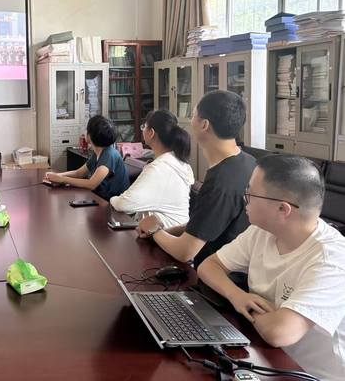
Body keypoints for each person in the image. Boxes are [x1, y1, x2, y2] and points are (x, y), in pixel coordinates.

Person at [198, 154, 345, 381]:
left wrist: (249, 308)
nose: (244, 198)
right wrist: (238, 296)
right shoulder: (262, 231)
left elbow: (279, 332)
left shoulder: (332, 259)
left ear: (283, 209)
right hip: (267, 358)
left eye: (250, 193)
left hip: (309, 374)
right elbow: (209, 266)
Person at [138, 90, 256, 267]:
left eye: (193, 115)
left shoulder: (220, 182)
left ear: (204, 125)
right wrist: (167, 231)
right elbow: (206, 225)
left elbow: (185, 252)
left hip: (215, 276)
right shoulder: (248, 162)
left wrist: (155, 230)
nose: (190, 121)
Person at [110, 109, 194, 228]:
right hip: (174, 231)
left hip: (164, 233)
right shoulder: (179, 162)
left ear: (151, 133)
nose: (142, 129)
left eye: (144, 126)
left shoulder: (159, 168)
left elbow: (123, 204)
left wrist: (112, 199)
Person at [45, 115, 130, 200]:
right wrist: (56, 176)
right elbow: (79, 173)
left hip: (112, 204)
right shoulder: (98, 153)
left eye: (87, 129)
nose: (85, 132)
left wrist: (62, 179)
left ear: (90, 136)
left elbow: (92, 184)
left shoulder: (109, 155)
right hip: (101, 198)